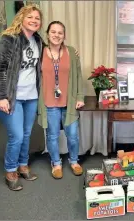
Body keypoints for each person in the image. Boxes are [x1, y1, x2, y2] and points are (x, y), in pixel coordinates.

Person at [0, 5, 44, 191]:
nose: (34, 20)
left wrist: (71, 52)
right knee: (17, 135)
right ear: (21, 18)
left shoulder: (38, 40)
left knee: (27, 133)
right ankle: (10, 170)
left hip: (31, 96)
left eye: (37, 18)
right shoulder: (9, 39)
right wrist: (0, 97)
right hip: (12, 97)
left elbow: (49, 58)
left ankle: (23, 165)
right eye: (30, 17)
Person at [37, 21, 85, 179]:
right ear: (48, 33)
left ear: (64, 35)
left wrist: (79, 97)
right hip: (49, 102)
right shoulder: (40, 52)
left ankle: (74, 161)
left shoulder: (71, 52)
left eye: (60, 32)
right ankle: (56, 163)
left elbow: (78, 76)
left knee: (72, 135)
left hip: (69, 102)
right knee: (52, 135)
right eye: (53, 32)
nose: (56, 35)